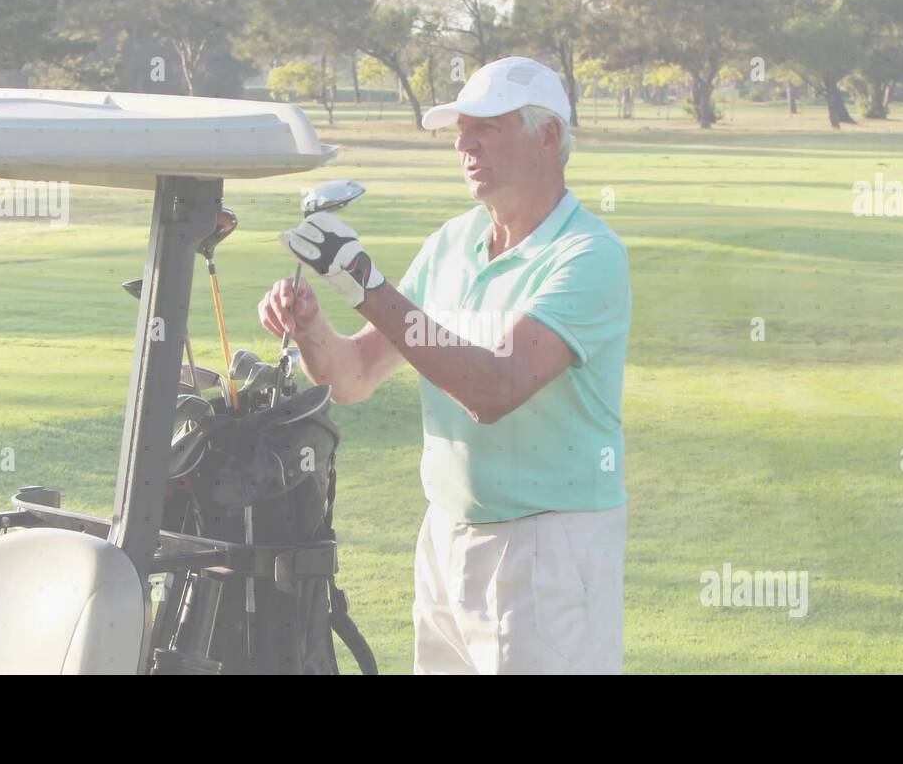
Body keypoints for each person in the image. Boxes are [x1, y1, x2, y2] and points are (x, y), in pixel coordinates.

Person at [257, 56, 631, 674]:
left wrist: (366, 284)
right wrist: (312, 329)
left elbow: (495, 387)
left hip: (549, 548)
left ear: (547, 137)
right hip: (446, 537)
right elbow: (352, 378)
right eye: (461, 129)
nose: (463, 142)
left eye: (486, 126)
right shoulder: (452, 243)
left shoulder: (588, 255)